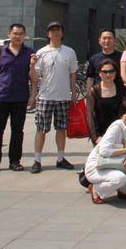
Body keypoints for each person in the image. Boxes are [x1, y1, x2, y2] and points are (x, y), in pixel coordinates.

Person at [0, 23, 37, 173]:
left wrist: (33, 95)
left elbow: (33, 79)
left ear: (24, 36)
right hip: (1, 96)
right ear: (9, 34)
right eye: (15, 33)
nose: (18, 36)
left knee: (17, 130)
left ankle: (15, 160)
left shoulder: (29, 53)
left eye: (20, 34)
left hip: (20, 97)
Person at [31, 21, 78, 174]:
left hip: (64, 96)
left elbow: (72, 74)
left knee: (61, 128)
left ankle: (60, 157)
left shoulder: (69, 52)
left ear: (62, 33)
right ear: (48, 34)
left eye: (58, 30)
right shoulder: (41, 52)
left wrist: (73, 94)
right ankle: (37, 159)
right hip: (46, 96)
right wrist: (31, 66)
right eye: (52, 30)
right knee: (41, 129)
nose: (55, 33)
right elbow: (35, 77)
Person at [84, 98, 126, 204]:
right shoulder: (116, 127)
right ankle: (97, 189)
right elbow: (104, 151)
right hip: (98, 166)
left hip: (117, 163)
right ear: (122, 114)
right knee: (120, 178)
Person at [86, 59, 126, 145]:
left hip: (119, 132)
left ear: (116, 72)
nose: (108, 74)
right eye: (104, 72)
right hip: (100, 135)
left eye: (111, 71)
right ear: (99, 73)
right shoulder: (94, 91)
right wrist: (95, 137)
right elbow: (89, 115)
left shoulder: (122, 89)